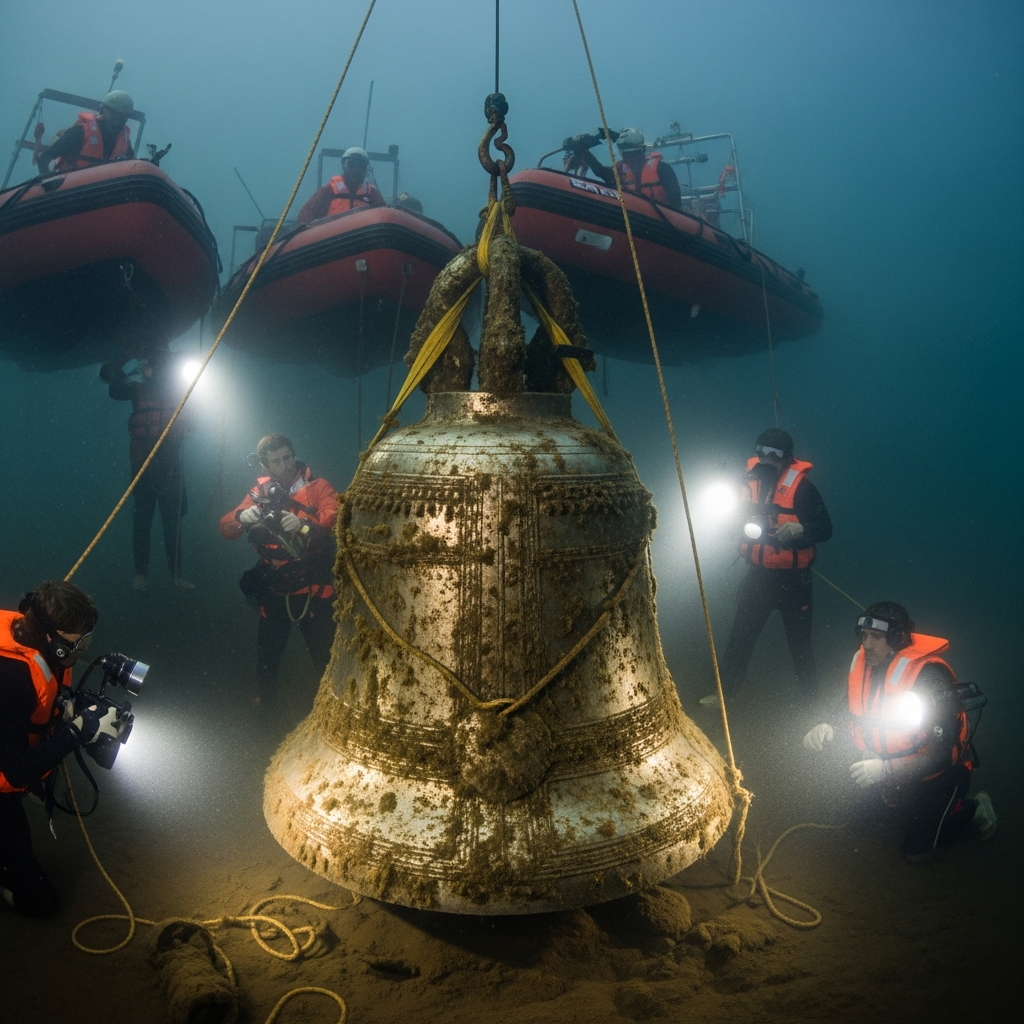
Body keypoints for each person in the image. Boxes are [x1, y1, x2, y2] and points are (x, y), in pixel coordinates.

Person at [802, 602, 996, 864]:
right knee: (864, 822)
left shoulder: (930, 678)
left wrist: (885, 770)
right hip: (893, 768)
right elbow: (852, 703)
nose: (867, 643)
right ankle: (913, 808)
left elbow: (942, 755)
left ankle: (972, 808)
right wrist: (829, 725)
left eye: (877, 637)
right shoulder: (866, 664)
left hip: (940, 776)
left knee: (916, 852)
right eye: (864, 635)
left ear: (897, 638)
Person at [0, 581, 119, 917]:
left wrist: (66, 707)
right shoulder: (8, 675)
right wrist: (75, 733)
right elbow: (16, 771)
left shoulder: (31, 639)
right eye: (75, 645)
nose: (81, 653)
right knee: (40, 903)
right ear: (52, 639)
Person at [705, 428, 832, 705]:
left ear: (787, 458)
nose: (765, 458)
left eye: (774, 454)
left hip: (795, 581)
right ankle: (724, 696)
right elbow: (728, 523)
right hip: (759, 576)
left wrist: (800, 528)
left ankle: (812, 707)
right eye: (761, 451)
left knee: (800, 646)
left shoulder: (803, 488)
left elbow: (826, 528)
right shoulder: (746, 484)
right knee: (740, 637)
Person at [220, 434, 339, 708]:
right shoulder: (259, 495)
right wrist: (241, 517)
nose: (284, 465)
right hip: (274, 588)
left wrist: (302, 524)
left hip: (313, 588)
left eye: (287, 457)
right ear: (265, 465)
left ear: (294, 454)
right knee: (267, 660)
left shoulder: (318, 486)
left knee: (326, 657)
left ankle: (333, 708)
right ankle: (266, 711)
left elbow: (333, 518)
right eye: (276, 461)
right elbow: (225, 528)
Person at [104, 349, 193, 591]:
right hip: (143, 465)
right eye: (150, 368)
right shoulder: (136, 390)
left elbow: (192, 422)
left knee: (171, 524)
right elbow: (113, 389)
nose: (155, 373)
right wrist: (122, 359)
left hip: (171, 465)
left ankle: (175, 575)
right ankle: (141, 575)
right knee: (142, 523)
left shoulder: (181, 392)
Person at [570, 127, 682, 210]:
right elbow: (602, 172)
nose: (628, 159)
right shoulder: (621, 169)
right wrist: (583, 151)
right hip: (634, 219)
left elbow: (675, 203)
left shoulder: (662, 169)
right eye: (624, 155)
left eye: (631, 154)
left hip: (660, 221)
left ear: (640, 151)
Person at [37, 91, 135, 174]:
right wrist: (48, 185)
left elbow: (132, 169)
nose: (117, 117)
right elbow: (44, 158)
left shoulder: (125, 144)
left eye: (122, 115)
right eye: (113, 112)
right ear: (102, 109)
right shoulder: (79, 132)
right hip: (72, 187)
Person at [297, 147, 386, 223]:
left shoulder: (371, 193)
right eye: (351, 165)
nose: (355, 170)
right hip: (332, 238)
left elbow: (383, 214)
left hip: (363, 238)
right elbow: (307, 212)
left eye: (359, 166)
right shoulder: (330, 190)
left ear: (365, 168)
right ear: (344, 166)